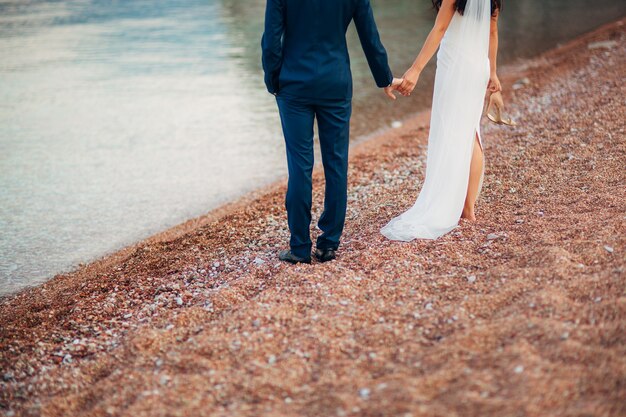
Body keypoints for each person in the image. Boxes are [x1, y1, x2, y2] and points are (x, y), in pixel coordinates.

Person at [262, 0, 402, 264]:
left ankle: (300, 247)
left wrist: (273, 81)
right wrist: (384, 78)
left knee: (300, 166)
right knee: (336, 163)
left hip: (294, 85)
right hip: (335, 82)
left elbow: (271, 41)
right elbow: (369, 36)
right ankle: (328, 245)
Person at [381, 0, 503, 241]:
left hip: (455, 66)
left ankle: (454, 205)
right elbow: (492, 31)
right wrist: (493, 73)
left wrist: (415, 70)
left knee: (450, 131)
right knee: (471, 132)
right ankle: (468, 209)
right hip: (478, 67)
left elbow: (440, 28)